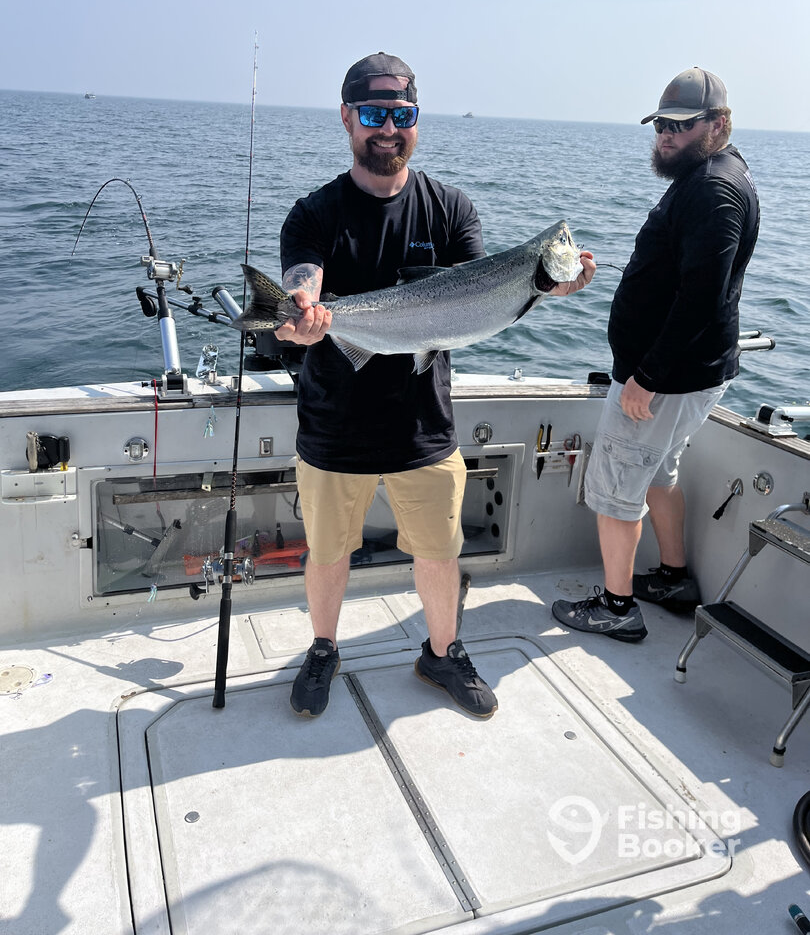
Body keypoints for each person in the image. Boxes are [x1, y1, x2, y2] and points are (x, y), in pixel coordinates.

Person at [276, 51, 595, 717]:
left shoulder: (450, 208)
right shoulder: (314, 212)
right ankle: (324, 648)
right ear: (347, 118)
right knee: (328, 553)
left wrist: (541, 288)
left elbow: (480, 297)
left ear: (417, 120)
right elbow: (305, 279)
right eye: (374, 115)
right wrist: (302, 311)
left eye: (402, 114)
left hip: (424, 422)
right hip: (333, 420)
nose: (388, 129)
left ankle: (442, 653)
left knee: (440, 552)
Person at [552, 66, 759, 642]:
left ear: (718, 124)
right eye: (661, 125)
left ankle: (617, 608)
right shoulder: (712, 173)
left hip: (664, 380)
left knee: (616, 488)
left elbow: (701, 299)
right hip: (685, 374)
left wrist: (647, 376)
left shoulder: (713, 190)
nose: (667, 135)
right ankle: (673, 578)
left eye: (681, 126)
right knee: (660, 471)